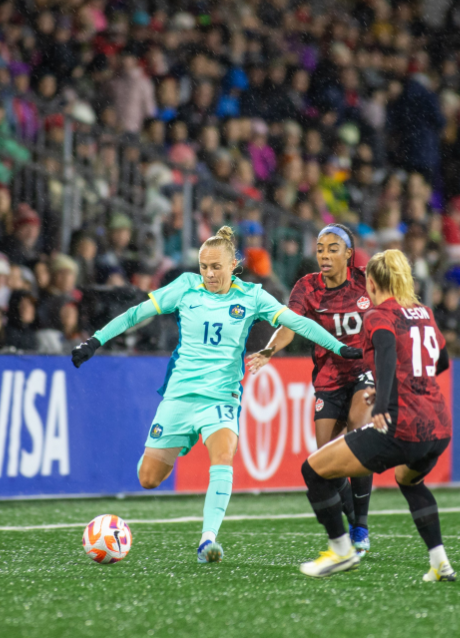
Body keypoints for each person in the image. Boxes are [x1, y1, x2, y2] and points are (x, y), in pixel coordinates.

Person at [71, 227, 361, 563]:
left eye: (216, 267)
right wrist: (94, 341)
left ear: (234, 264)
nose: (209, 274)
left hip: (222, 398)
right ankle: (180, 441)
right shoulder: (185, 288)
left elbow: (297, 322)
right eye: (204, 266)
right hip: (180, 396)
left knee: (222, 457)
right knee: (148, 478)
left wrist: (339, 347)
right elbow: (136, 313)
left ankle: (207, 540)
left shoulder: (252, 296)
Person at [297, 249, 454, 582]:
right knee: (409, 481)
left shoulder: (378, 315)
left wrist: (382, 403)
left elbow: (384, 352)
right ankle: (440, 563)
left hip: (402, 425)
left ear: (371, 281)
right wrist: (397, 387)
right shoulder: (423, 312)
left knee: (312, 470)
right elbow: (441, 363)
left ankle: (340, 551)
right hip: (439, 426)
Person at [247, 224, 375, 554]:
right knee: (326, 463)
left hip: (364, 372)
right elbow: (289, 326)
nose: (325, 255)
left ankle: (361, 525)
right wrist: (269, 351)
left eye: (333, 248)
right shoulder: (307, 287)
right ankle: (351, 519)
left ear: (349, 253)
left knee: (359, 436)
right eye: (320, 248)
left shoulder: (367, 281)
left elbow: (395, 307)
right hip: (329, 380)